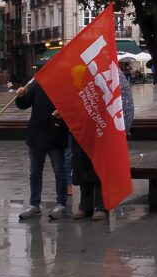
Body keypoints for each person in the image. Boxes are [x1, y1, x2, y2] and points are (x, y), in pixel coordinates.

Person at [72, 74, 134, 221]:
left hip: (102, 131)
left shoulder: (113, 75)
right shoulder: (82, 73)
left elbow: (124, 105)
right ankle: (85, 206)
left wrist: (119, 131)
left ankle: (101, 206)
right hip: (83, 131)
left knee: (100, 171)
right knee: (82, 168)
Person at [15, 82, 69, 220]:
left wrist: (63, 113)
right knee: (34, 172)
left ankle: (61, 203)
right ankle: (34, 204)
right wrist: (20, 96)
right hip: (37, 135)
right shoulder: (38, 84)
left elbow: (72, 107)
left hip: (56, 134)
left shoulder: (65, 85)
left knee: (59, 172)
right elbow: (24, 104)